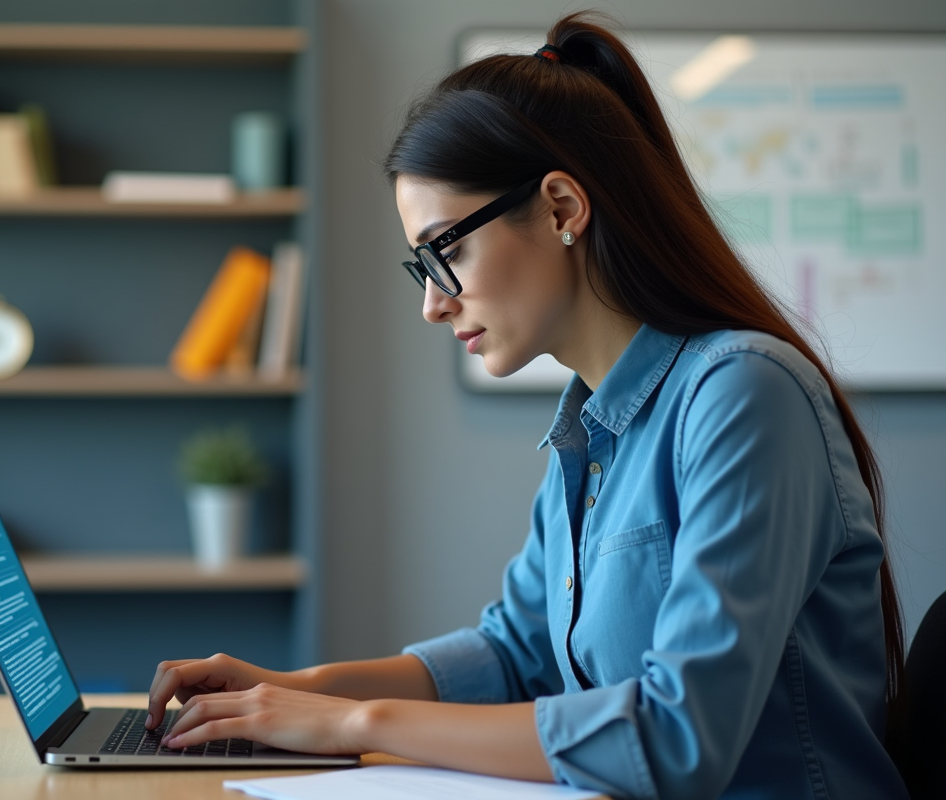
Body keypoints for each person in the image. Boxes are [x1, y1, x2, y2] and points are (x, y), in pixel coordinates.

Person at [146, 13, 910, 799]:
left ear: (560, 209)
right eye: (424, 267)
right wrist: (285, 690)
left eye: (447, 251)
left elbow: (680, 736)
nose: (434, 306)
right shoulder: (591, 428)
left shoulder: (746, 394)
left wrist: (352, 724)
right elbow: (513, 656)